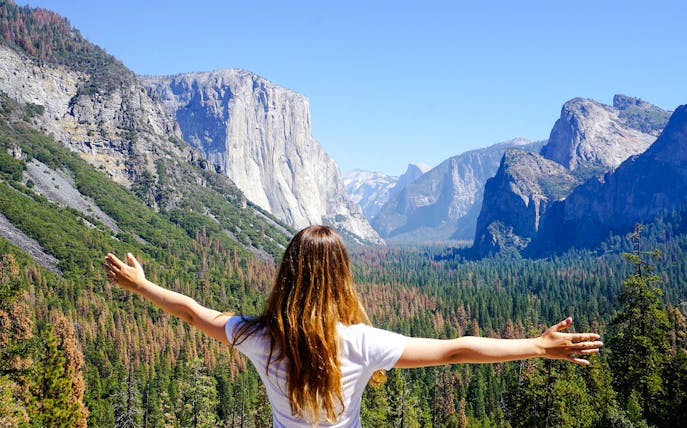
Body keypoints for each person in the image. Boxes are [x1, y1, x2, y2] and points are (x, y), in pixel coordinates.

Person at [103, 225, 603, 427]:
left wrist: (142, 285)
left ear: (288, 273)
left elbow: (192, 311)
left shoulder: (257, 336)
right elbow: (455, 350)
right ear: (340, 277)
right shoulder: (360, 343)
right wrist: (538, 345)